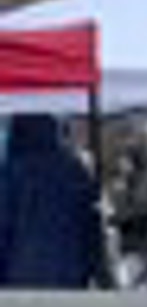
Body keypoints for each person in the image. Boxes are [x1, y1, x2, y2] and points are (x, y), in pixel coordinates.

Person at [0, 114, 107, 290]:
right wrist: (97, 271)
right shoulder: (75, 170)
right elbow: (92, 227)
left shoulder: (10, 173)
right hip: (70, 278)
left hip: (18, 282)